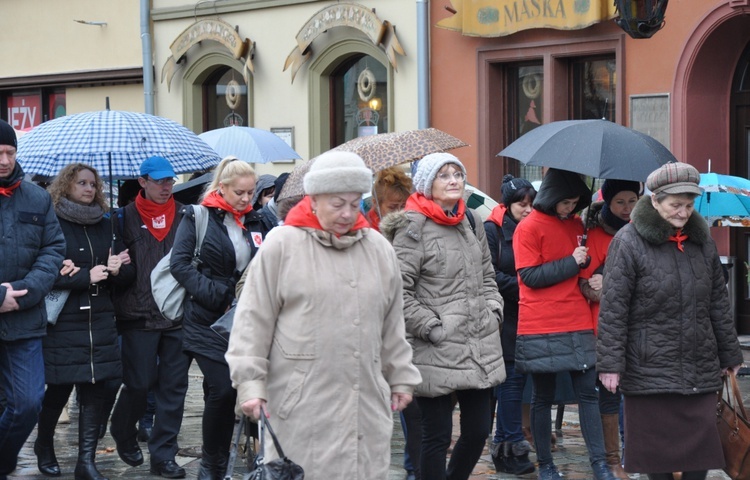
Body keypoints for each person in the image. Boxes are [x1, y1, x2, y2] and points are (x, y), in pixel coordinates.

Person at [226, 151, 421, 479]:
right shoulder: (282, 245)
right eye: (336, 203)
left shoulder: (378, 249)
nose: (347, 213)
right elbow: (252, 322)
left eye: (353, 202)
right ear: (313, 199)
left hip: (365, 405)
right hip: (300, 404)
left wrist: (400, 375)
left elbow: (391, 323)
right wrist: (250, 384)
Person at [597, 162, 744, 480]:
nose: (683, 213)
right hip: (650, 371)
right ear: (654, 201)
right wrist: (610, 364)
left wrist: (730, 353)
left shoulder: (702, 243)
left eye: (689, 206)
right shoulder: (627, 243)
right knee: (657, 460)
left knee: (699, 456)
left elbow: (717, 303)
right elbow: (614, 309)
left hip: (698, 367)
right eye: (676, 205)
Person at [381, 152, 505, 480]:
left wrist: (493, 311)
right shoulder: (411, 227)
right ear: (427, 185)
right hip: (433, 347)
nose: (454, 181)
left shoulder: (471, 221)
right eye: (444, 175)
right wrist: (432, 327)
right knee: (435, 437)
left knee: (478, 431)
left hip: (478, 342)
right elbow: (398, 292)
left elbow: (487, 276)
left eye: (458, 174)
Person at [171, 157, 271, 480]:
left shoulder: (256, 221)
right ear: (222, 188)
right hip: (205, 320)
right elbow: (180, 264)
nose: (246, 199)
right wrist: (214, 293)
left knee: (248, 388)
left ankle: (255, 455)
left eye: (251, 192)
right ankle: (211, 461)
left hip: (245, 320)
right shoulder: (197, 217)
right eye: (240, 192)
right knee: (223, 390)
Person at [513, 168, 615, 480]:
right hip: (540, 321)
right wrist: (572, 261)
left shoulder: (577, 225)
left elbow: (585, 266)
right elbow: (529, 276)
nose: (570, 208)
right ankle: (546, 465)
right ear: (552, 196)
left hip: (577, 318)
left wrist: (589, 267)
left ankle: (600, 463)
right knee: (542, 396)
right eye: (565, 202)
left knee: (587, 392)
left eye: (575, 202)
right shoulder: (527, 228)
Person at [35, 163, 135, 480]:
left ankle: (86, 462)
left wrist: (118, 268)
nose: (89, 189)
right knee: (59, 388)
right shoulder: (52, 223)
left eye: (94, 184)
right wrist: (81, 276)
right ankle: (43, 445)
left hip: (100, 318)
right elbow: (45, 273)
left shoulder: (107, 225)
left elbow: (125, 273)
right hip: (64, 320)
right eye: (82, 183)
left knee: (96, 390)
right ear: (66, 186)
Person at [110, 156, 191, 479]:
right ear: (142, 182)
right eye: (159, 181)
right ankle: (121, 427)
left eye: (170, 180)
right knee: (139, 383)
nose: (166, 186)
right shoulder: (120, 219)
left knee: (173, 389)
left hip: (176, 316)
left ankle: (164, 456)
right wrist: (117, 266)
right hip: (137, 315)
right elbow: (118, 271)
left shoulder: (187, 215)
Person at [0, 119, 66, 480]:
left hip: (24, 317)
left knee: (27, 403)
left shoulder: (37, 197)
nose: (5, 160)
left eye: (10, 152)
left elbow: (53, 249)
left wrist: (26, 292)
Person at [579, 179, 641, 480]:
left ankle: (638, 453)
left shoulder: (644, 232)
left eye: (633, 200)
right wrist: (601, 283)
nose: (627, 208)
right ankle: (613, 459)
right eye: (620, 202)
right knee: (609, 392)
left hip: (640, 325)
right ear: (608, 201)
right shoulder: (592, 234)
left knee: (638, 392)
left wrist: (611, 281)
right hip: (602, 326)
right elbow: (585, 284)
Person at [484, 174, 536, 476]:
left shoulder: (530, 228)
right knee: (510, 381)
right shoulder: (491, 230)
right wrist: (525, 285)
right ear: (508, 205)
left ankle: (505, 446)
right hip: (502, 316)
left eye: (531, 204)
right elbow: (488, 272)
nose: (527, 209)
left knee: (516, 380)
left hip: (528, 314)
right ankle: (512, 444)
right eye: (521, 204)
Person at [366, 166, 412, 232]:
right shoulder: (367, 231)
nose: (399, 212)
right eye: (392, 207)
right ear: (376, 203)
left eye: (403, 206)